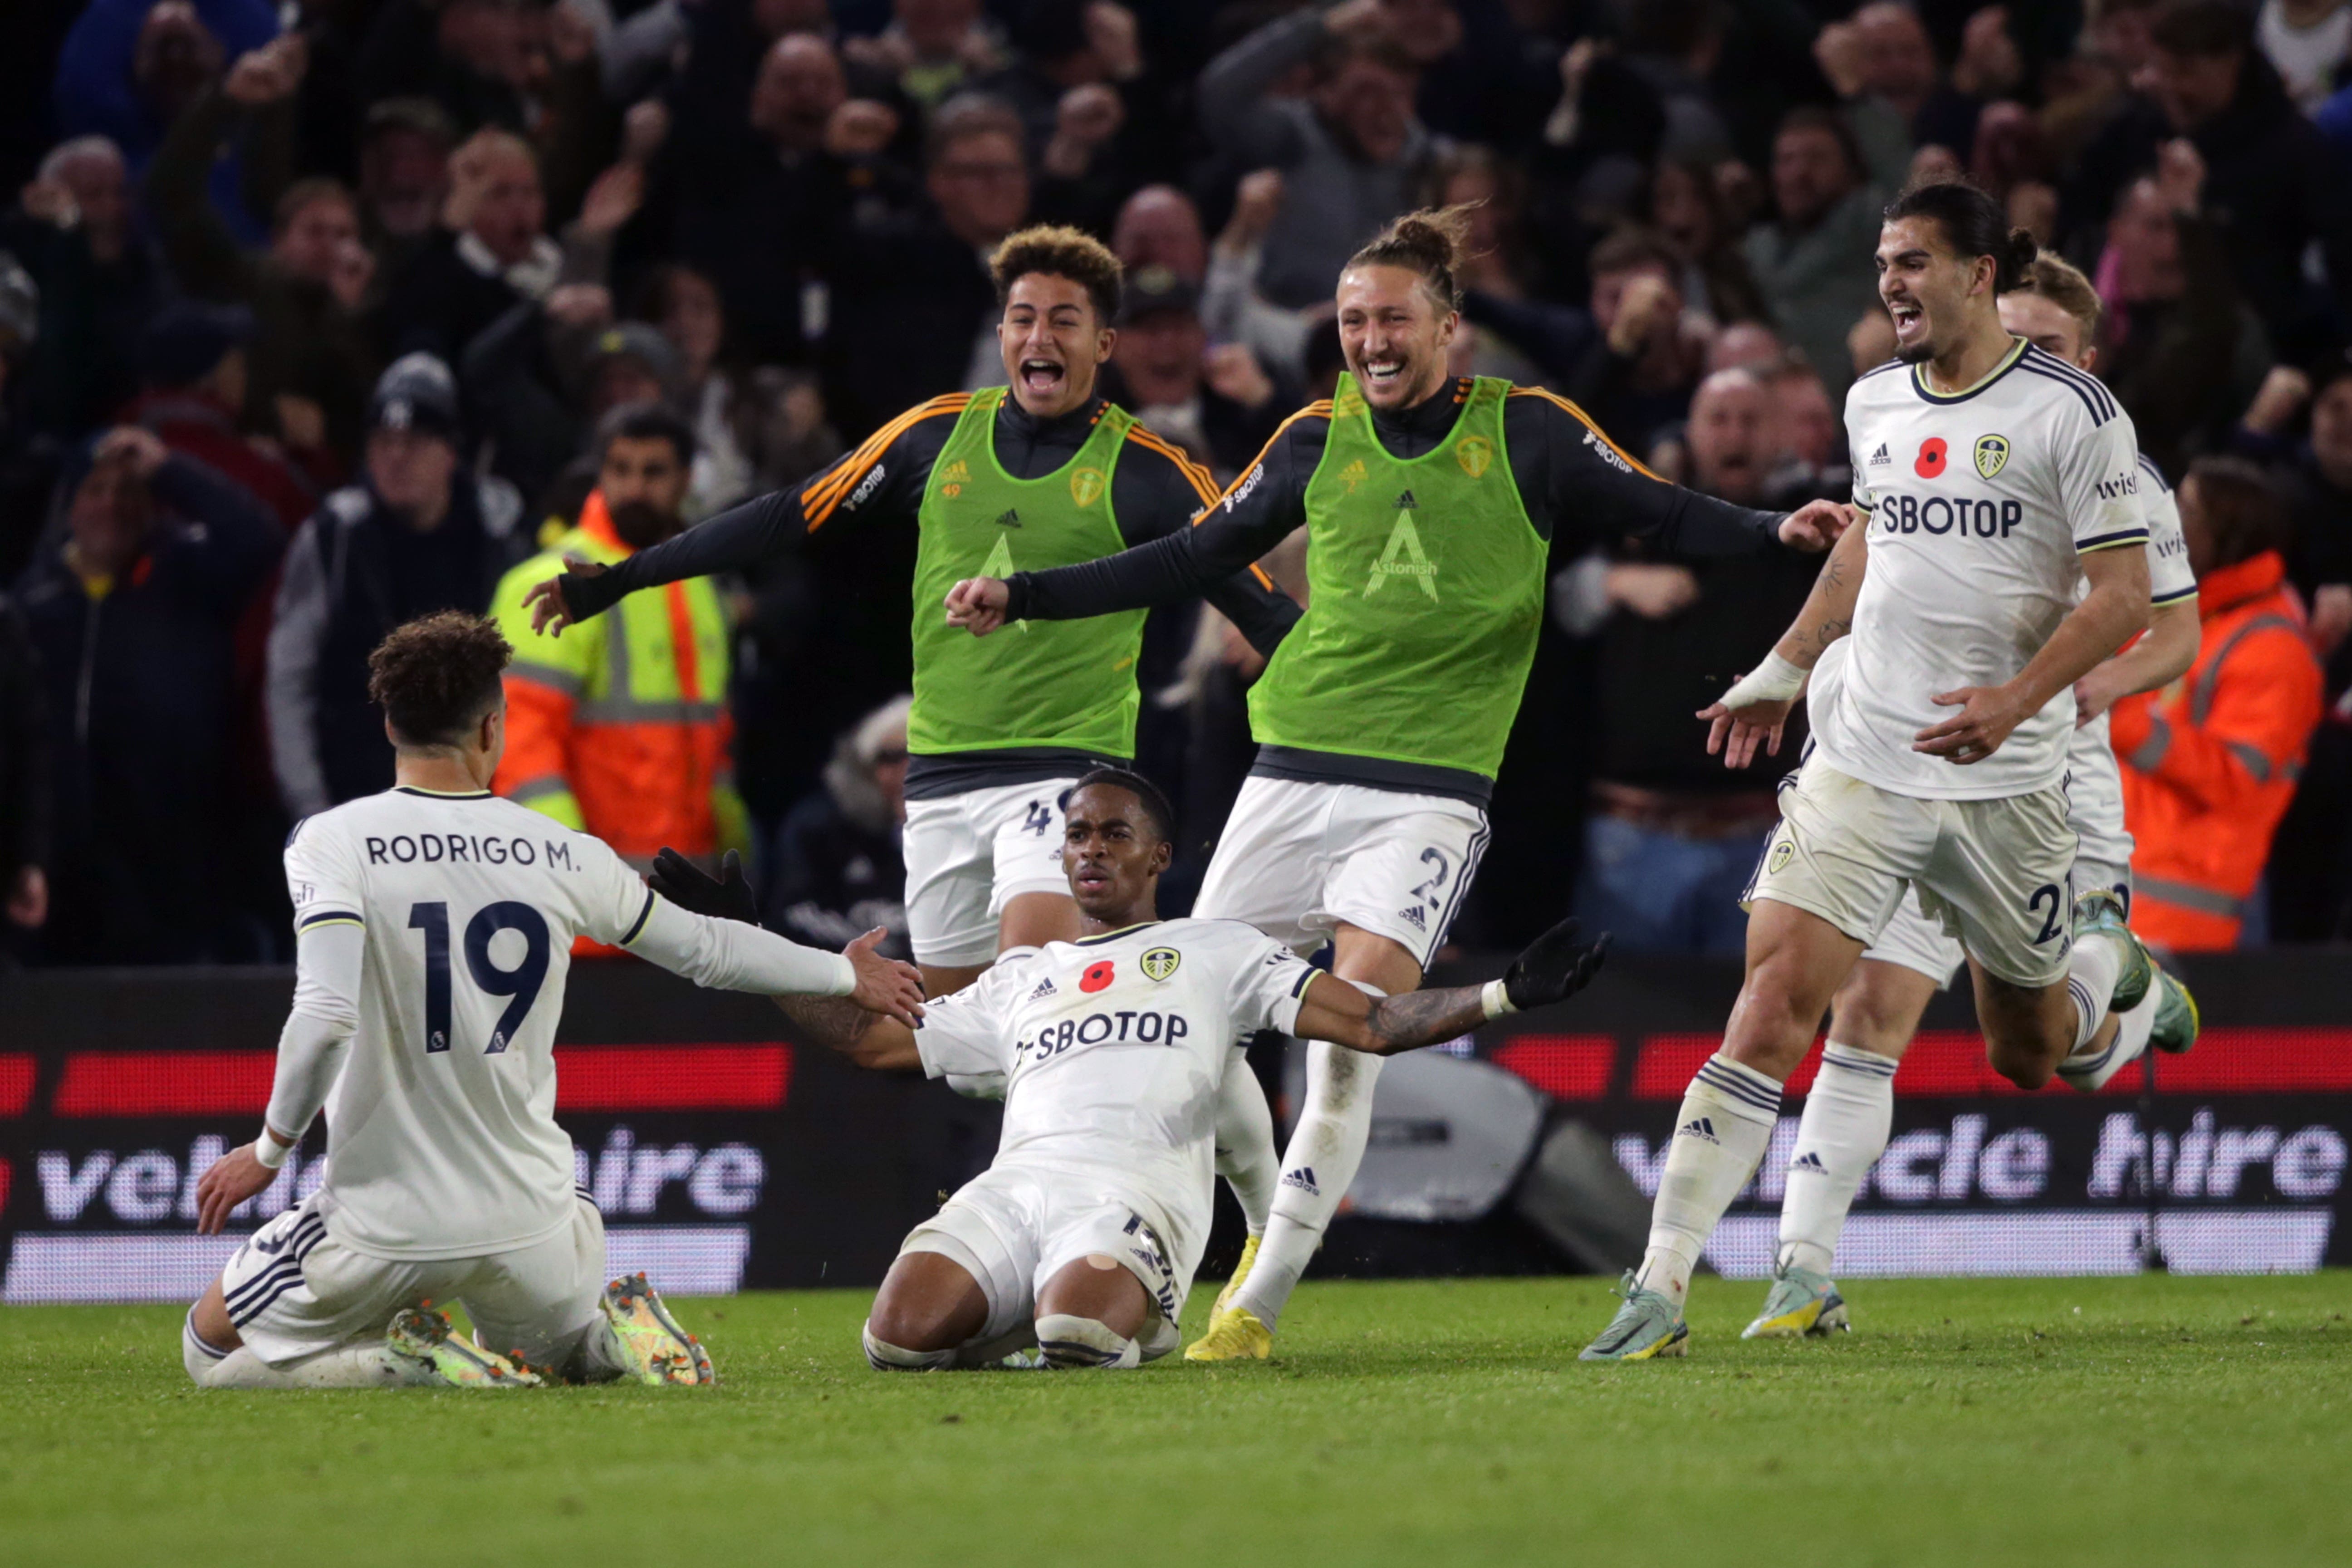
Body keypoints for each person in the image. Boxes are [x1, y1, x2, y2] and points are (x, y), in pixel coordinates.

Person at [943, 206, 1847, 1361]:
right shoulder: (1312, 440)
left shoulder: (1527, 430)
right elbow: (1186, 557)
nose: (1369, 339)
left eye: (1392, 319)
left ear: (1449, 329)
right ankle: (1143, 1251)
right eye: (1351, 320)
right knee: (1186, 1020)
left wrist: (1777, 527)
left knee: (1342, 1038)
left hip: (1425, 790)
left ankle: (1252, 1301)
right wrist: (1026, 592)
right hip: (1289, 771)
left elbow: (1659, 510)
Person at [1576, 184, 2176, 1362]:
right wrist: (1785, 664)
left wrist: (2013, 701)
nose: (1893, 282)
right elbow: (1871, 538)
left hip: (2007, 784)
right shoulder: (1871, 402)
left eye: (1916, 261)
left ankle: (2122, 982)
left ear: (1981, 275)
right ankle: (1660, 1285)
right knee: (1770, 1007)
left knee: (2029, 1053)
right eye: (1884, 262)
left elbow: (2123, 602)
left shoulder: (2075, 413)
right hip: (1867, 762)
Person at [523, 224, 1295, 1004]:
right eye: (1024, 318)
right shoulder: (934, 436)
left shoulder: (1152, 473)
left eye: (1066, 320)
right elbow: (786, 515)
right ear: (1000, 336)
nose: (1041, 336)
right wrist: (621, 578)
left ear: (1104, 345)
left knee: (1035, 996)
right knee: (961, 1048)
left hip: (1064, 775)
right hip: (936, 781)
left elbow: (1261, 608)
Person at [650, 767, 1611, 1371]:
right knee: (894, 1337)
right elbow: (870, 1040)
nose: (1091, 849)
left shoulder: (1218, 950)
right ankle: (1029, 1301)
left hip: (1137, 1195)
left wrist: (1503, 997)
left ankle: (1108, 1306)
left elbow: (1367, 1021)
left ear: (1157, 854)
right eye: (1076, 835)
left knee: (1083, 1335)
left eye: (1113, 833)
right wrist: (746, 939)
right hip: (1018, 1186)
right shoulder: (1023, 977)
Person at [181, 610, 925, 1390]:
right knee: (553, 1352)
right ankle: (603, 1342)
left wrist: (267, 1152)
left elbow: (327, 1015)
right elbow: (708, 950)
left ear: (391, 721)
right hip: (533, 1223)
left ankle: (404, 1364)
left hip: (384, 1224)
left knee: (211, 1354)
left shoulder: (333, 841)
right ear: (491, 729)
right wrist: (842, 974)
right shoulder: (562, 851)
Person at [1740, 252, 2209, 1342]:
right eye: (2013, 338)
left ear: (2086, 361)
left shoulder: (2121, 473)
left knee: (2036, 1058)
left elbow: (2173, 630)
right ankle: (1801, 1273)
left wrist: (2097, 677)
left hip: (2048, 772)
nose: (2022, 363)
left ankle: (2122, 994)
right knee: (1864, 1008)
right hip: (1905, 756)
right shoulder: (1919, 434)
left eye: (2048, 347)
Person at [16, 427, 280, 964]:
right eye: (96, 490)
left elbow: (260, 538)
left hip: (171, 871)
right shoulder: (32, 605)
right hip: (59, 876)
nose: (111, 506)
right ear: (70, 508)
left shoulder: (186, 579)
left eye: (128, 491)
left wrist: (168, 469)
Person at [490, 402, 745, 879]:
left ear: (686, 480)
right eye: (620, 470)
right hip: (588, 906)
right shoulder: (553, 582)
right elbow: (519, 743)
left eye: (654, 472)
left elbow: (714, 736)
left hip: (685, 899)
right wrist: (572, 869)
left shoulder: (700, 589)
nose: (635, 488)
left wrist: (734, 848)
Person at [268, 354, 528, 821]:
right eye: (384, 441)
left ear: (450, 452)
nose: (396, 456)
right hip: (354, 802)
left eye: (415, 442)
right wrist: (309, 804)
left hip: (475, 808)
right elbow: (290, 675)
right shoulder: (337, 537)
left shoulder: (494, 537)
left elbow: (523, 682)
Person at [2114, 457, 2324, 950]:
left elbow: (2236, 781)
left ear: (2226, 536)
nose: (2164, 519)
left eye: (2185, 509)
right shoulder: (2190, 621)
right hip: (2126, 901)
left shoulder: (2272, 648)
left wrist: (2125, 722)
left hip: (2189, 922)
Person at [767, 695, 912, 956]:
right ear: (867, 768)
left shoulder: (970, 836)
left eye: (918, 754)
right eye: (891, 758)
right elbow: (793, 917)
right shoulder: (819, 831)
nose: (907, 770)